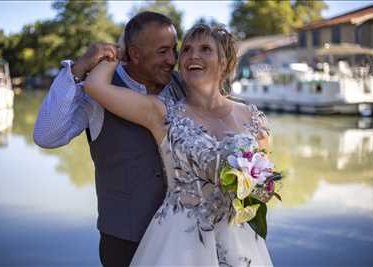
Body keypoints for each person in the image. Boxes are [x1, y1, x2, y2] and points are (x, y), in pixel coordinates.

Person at [84, 24, 273, 266]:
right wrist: (120, 53)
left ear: (224, 62)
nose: (193, 55)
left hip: (239, 238)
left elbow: (265, 185)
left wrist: (254, 188)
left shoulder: (252, 117)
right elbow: (94, 86)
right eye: (186, 50)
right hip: (179, 239)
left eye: (205, 49)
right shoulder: (161, 112)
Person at [33, 12, 185, 267]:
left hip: (183, 235)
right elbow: (46, 135)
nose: (172, 59)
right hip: (125, 244)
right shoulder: (96, 92)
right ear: (134, 54)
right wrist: (79, 68)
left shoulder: (182, 85)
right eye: (162, 51)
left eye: (174, 49)